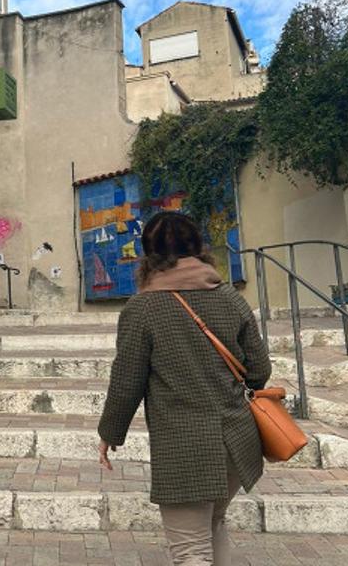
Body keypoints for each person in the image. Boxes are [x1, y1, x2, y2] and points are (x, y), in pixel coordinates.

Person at [97, 211, 270, 566]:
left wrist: (110, 432)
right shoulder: (231, 298)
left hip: (184, 448)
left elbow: (127, 379)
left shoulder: (142, 308)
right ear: (198, 247)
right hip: (238, 441)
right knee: (214, 523)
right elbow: (259, 371)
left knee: (191, 550)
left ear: (149, 254)